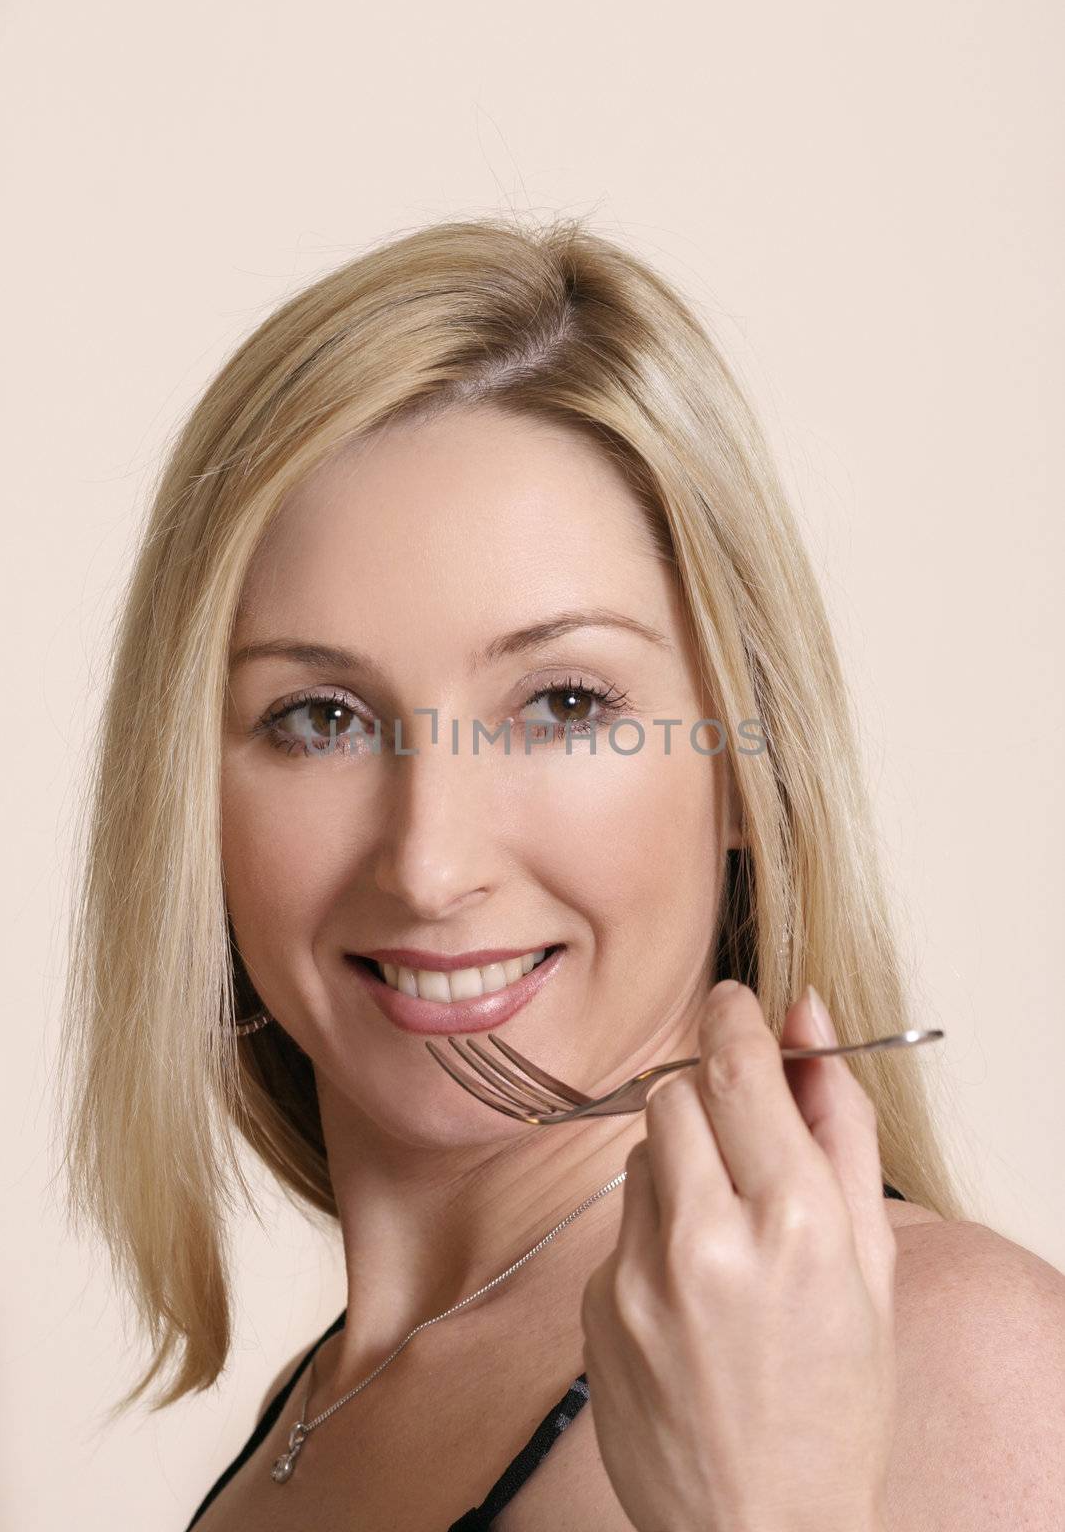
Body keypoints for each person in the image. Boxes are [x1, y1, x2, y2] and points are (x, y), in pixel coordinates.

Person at [60, 215, 1065, 1530]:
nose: (428, 864)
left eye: (565, 703)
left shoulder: (965, 1367)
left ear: (745, 768)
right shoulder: (318, 1418)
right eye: (321, 718)